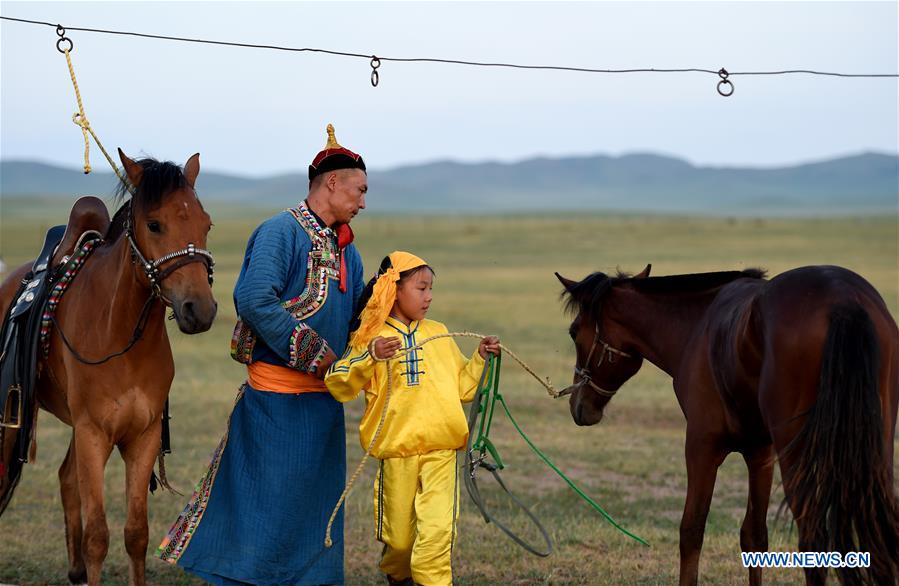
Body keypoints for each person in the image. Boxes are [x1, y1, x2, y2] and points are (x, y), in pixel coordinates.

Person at [157, 125, 367, 585]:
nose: (364, 201)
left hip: (324, 405)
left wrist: (381, 305)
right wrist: (315, 353)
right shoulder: (280, 231)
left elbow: (350, 320)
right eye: (360, 189)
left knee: (317, 508)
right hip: (275, 403)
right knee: (266, 506)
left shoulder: (348, 251)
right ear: (332, 183)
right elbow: (253, 298)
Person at [325, 251, 501, 586]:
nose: (429, 296)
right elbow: (338, 383)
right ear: (394, 289)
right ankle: (397, 575)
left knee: (435, 537)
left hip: (441, 453)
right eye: (421, 288)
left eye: (431, 288)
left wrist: (479, 360)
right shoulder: (369, 340)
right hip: (397, 457)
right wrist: (370, 357)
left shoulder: (439, 333)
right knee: (401, 543)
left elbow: (464, 388)